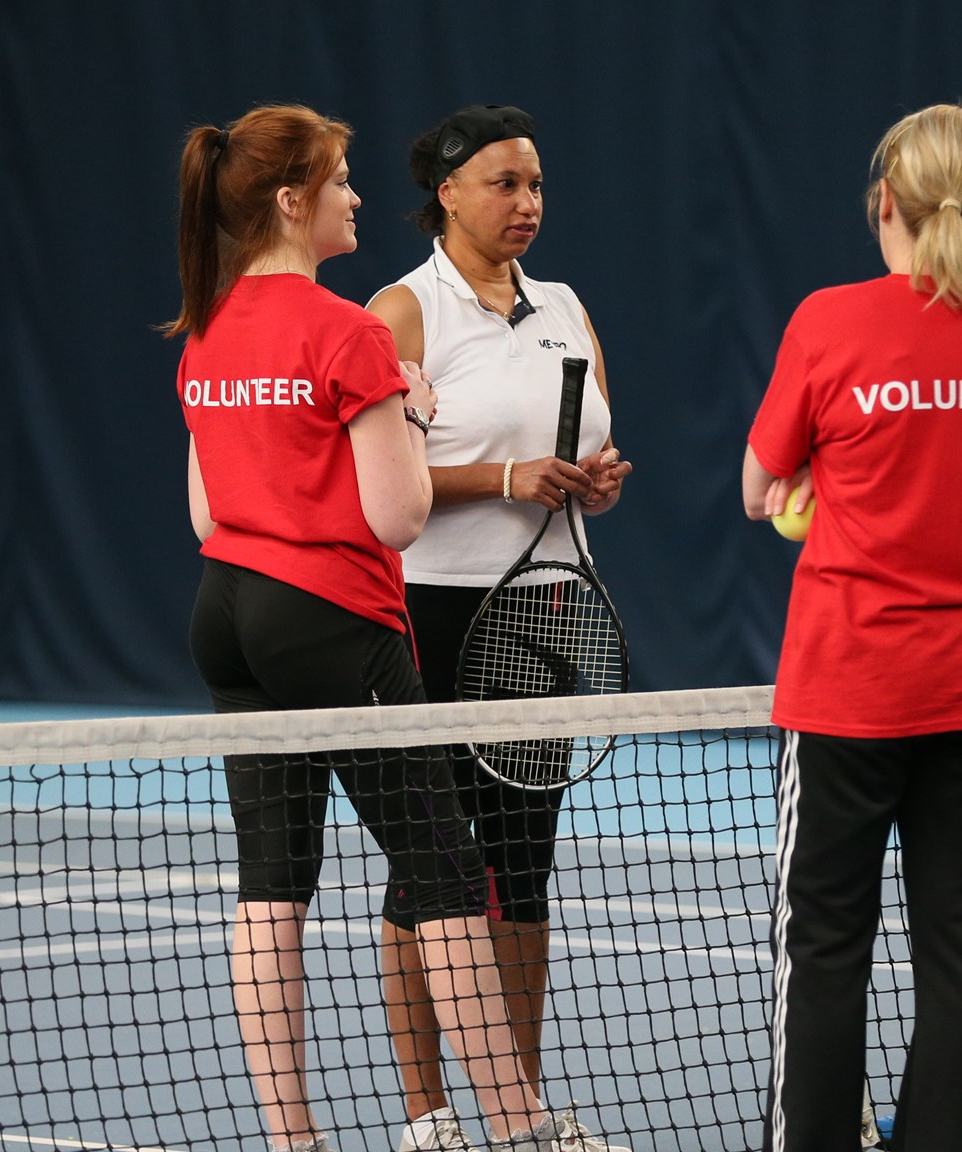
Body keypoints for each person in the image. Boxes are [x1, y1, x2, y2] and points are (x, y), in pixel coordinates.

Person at [172, 103, 582, 1152]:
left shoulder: (208, 327)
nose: (358, 197)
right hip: (333, 623)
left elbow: (207, 515)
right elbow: (395, 517)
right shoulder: (349, 332)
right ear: (292, 202)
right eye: (343, 180)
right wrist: (404, 404)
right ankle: (515, 1123)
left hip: (224, 614)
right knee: (447, 876)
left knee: (271, 885)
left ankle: (292, 1140)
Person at [742, 104, 962, 1152]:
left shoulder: (827, 321)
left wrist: (815, 485)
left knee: (823, 943)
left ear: (884, 201)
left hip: (851, 689)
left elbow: (758, 490)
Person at [364, 104, 632, 1152]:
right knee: (429, 870)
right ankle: (426, 1113)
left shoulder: (564, 304)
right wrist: (505, 477)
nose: (525, 205)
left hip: (547, 609)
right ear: (446, 191)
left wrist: (596, 481)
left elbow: (602, 434)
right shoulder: (400, 313)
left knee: (522, 866)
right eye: (501, 185)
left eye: (533, 185)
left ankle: (517, 1107)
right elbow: (374, 477)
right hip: (428, 613)